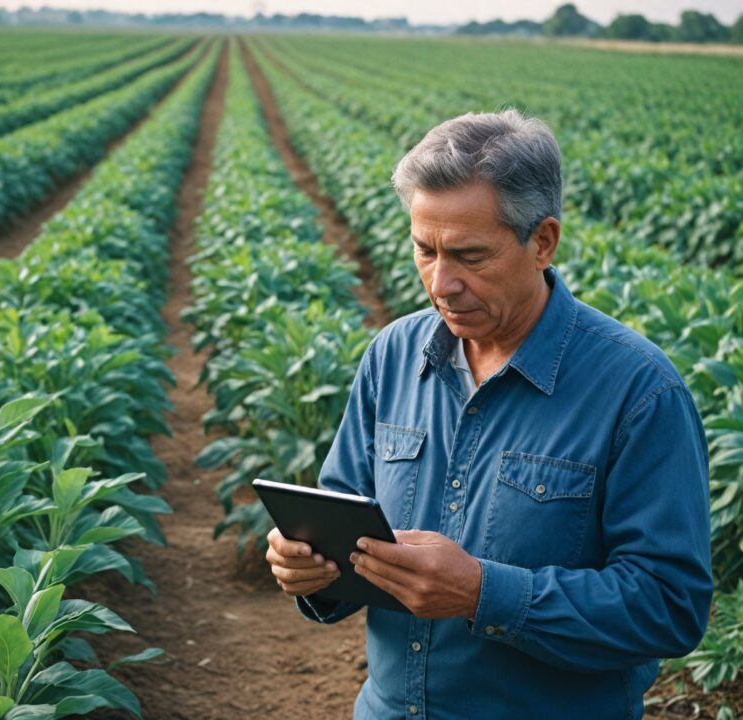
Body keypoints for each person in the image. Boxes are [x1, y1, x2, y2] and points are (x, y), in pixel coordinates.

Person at [264, 109, 712, 719]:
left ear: (542, 242)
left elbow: (668, 606)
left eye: (471, 256)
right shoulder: (393, 355)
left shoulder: (638, 391)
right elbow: (344, 522)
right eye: (425, 250)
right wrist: (310, 567)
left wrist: (483, 593)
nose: (441, 283)